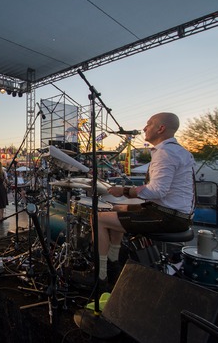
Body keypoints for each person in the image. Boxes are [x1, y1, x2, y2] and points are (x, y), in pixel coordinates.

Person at [76, 112, 196, 289]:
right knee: (117, 208)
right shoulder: (180, 152)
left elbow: (157, 190)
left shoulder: (165, 153)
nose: (144, 128)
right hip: (176, 213)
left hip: (168, 217)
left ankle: (99, 275)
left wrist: (124, 190)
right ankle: (113, 264)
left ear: (161, 128)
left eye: (149, 124)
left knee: (98, 218)